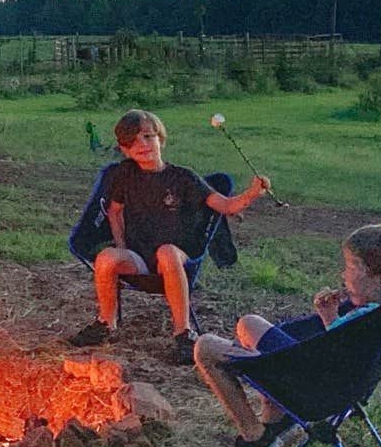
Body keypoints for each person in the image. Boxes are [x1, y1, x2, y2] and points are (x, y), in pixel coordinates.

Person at [193, 222, 381, 447]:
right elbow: (339, 343)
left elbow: (332, 349)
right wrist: (329, 315)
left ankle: (256, 439)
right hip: (338, 385)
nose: (343, 275)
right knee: (250, 328)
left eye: (352, 267)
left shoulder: (367, 317)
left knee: (209, 345)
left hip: (311, 388)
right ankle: (276, 418)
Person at [66, 108, 272, 364]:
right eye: (132, 142)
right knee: (107, 258)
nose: (141, 145)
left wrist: (251, 194)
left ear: (160, 138)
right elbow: (115, 211)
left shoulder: (183, 177)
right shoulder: (124, 175)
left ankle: (184, 333)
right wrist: (122, 246)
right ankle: (106, 323)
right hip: (140, 258)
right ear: (125, 150)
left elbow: (225, 205)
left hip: (177, 257)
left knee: (166, 251)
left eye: (147, 137)